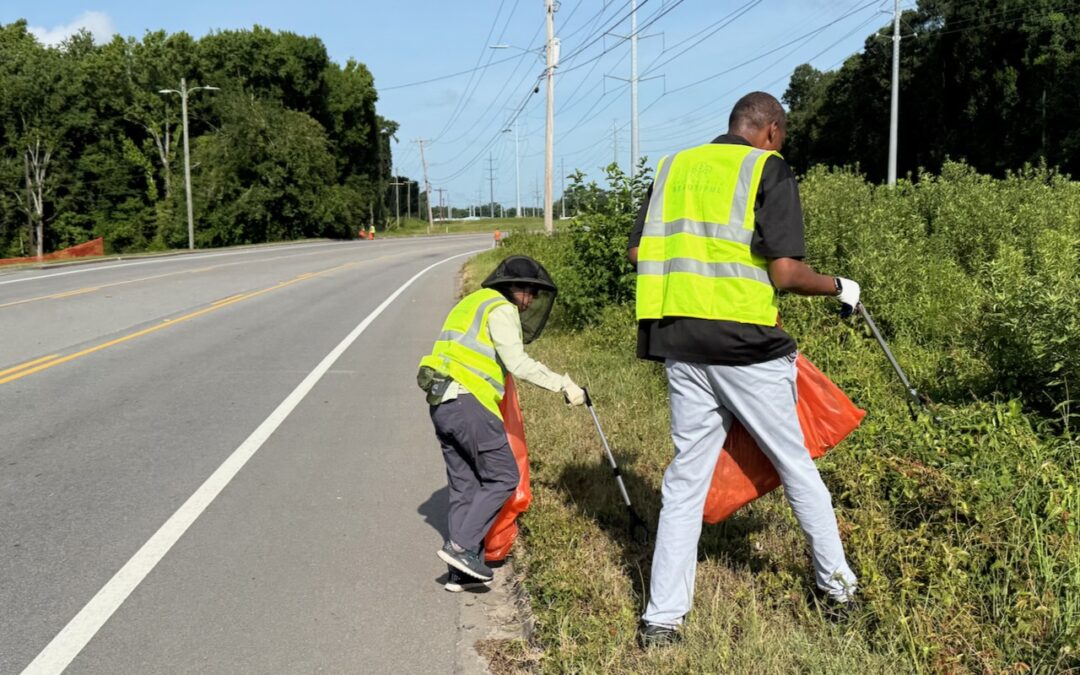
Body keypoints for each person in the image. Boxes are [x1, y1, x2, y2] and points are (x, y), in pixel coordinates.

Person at [628, 91, 862, 646]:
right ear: (772, 130)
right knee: (796, 466)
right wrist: (838, 287)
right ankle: (838, 591)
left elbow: (640, 254)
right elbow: (785, 273)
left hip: (680, 341)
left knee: (685, 481)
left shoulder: (673, 166)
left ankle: (661, 621)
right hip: (747, 346)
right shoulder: (767, 168)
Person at [418, 255, 587, 591]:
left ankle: (460, 572)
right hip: (470, 402)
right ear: (515, 289)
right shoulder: (500, 309)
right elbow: (517, 362)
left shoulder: (471, 304)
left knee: (465, 485)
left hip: (442, 403)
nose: (532, 301)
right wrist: (564, 385)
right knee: (503, 476)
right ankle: (461, 548)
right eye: (530, 293)